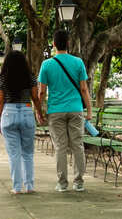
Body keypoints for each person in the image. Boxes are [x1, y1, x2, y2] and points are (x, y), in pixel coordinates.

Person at [37, 30, 91, 192]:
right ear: (68, 44)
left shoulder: (46, 65)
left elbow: (41, 92)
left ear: (53, 44)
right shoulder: (78, 62)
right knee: (77, 145)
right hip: (75, 109)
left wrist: (39, 112)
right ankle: (79, 182)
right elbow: (83, 89)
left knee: (60, 147)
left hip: (56, 111)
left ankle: (62, 183)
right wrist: (89, 110)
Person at [0, 50, 43, 194]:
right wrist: (39, 113)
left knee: (14, 154)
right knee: (28, 153)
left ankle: (17, 188)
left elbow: (0, 101)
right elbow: (35, 98)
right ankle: (29, 186)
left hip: (9, 114)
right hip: (27, 111)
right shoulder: (30, 77)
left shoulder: (3, 78)